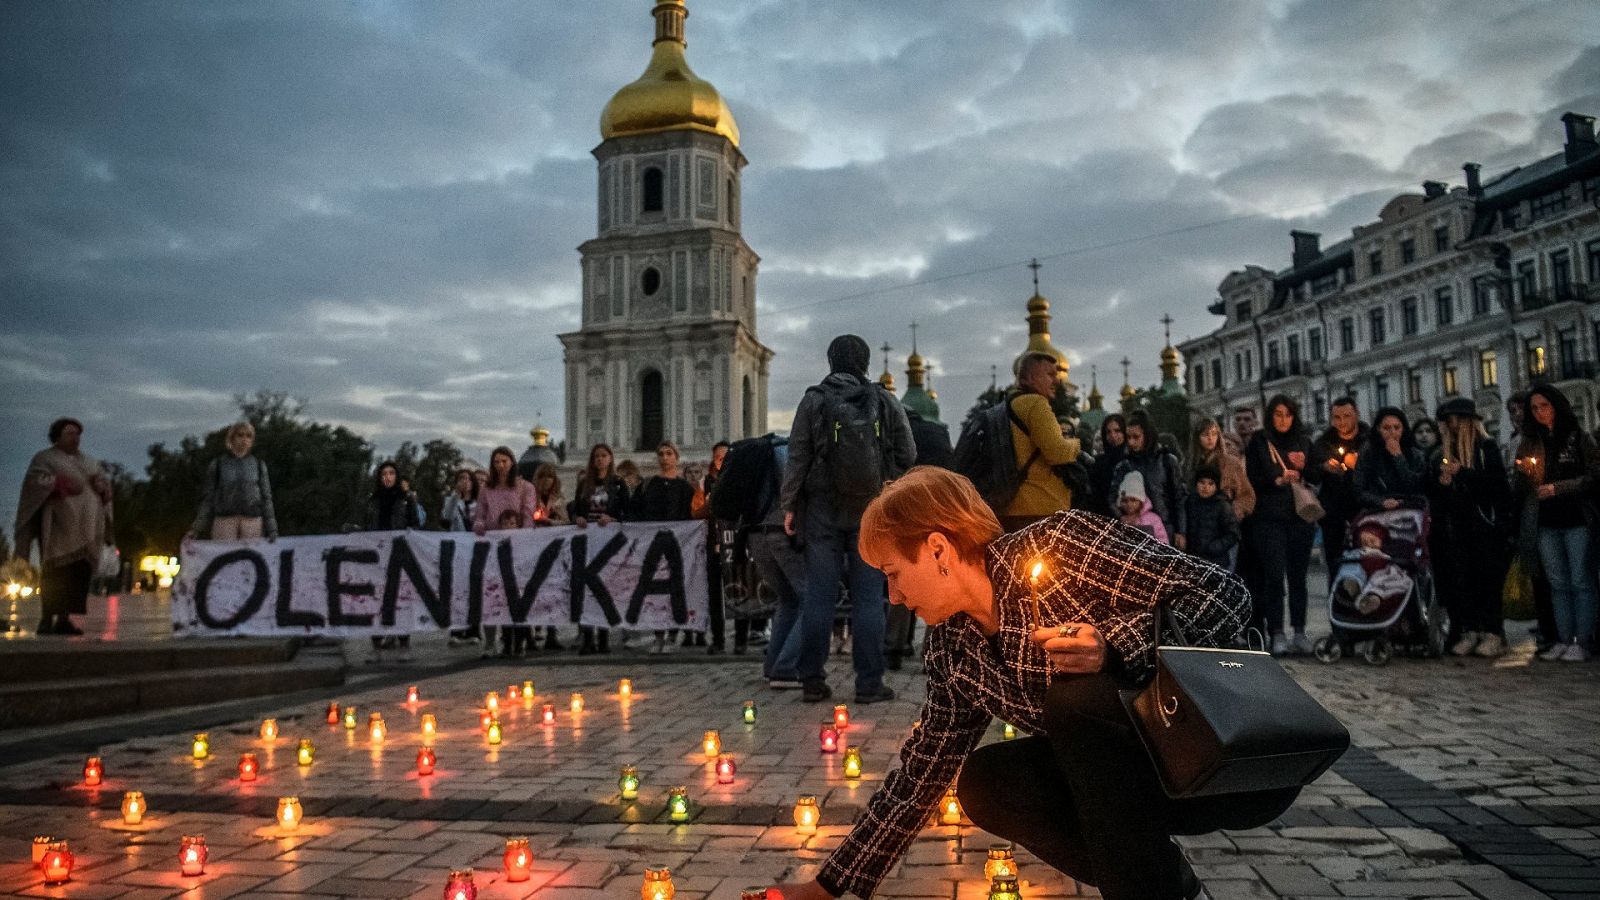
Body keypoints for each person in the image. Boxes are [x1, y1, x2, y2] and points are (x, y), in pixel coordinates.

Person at [767, 467, 1295, 900]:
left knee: (1076, 697)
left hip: (1222, 761)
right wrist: (829, 888)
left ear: (937, 549)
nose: (894, 597)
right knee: (983, 783)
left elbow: (1222, 593)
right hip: (1126, 796)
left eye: (892, 573)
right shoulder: (955, 651)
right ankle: (1168, 888)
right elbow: (918, 780)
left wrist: (1113, 645)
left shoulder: (1062, 548)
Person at [781, 334, 917, 704]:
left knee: (819, 598)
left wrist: (789, 505)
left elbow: (797, 456)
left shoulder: (813, 400)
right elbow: (908, 451)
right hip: (871, 510)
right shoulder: (884, 399)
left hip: (821, 509)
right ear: (866, 361)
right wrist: (887, 486)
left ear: (831, 361)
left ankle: (812, 680)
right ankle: (869, 684)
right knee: (870, 599)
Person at [1511, 385, 1599, 662]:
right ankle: (1563, 638)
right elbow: (1520, 483)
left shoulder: (1578, 438)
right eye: (1534, 408)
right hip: (1544, 521)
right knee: (1557, 583)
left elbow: (1593, 477)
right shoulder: (1530, 442)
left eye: (1544, 406)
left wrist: (1559, 488)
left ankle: (1582, 640)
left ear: (1557, 406)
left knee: (1580, 580)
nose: (1539, 413)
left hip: (1576, 519)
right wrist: (1525, 474)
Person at [13, 418, 113, 635]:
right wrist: (55, 484)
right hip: (58, 527)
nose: (75, 438)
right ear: (57, 435)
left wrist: (102, 487)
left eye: (77, 434)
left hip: (85, 529)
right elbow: (34, 482)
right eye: (69, 433)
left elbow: (104, 486)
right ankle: (47, 618)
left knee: (77, 575)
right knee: (55, 573)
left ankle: (65, 618)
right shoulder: (45, 458)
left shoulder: (89, 461)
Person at [1244, 394, 1315, 656]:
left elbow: (1316, 473)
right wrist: (1275, 480)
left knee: (1298, 577)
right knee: (1274, 576)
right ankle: (1277, 632)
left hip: (1299, 516)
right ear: (1270, 416)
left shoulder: (1303, 440)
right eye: (1277, 414)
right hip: (1269, 518)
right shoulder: (1260, 442)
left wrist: (1304, 469)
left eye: (1287, 414)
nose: (1283, 420)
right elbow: (1252, 477)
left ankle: (1299, 630)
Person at [1000, 352, 1082, 532]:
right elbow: (1057, 453)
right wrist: (1076, 445)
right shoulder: (1036, 404)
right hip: (1040, 509)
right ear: (1030, 377)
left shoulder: (1009, 404)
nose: (1057, 381)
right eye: (1050, 374)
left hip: (1011, 507)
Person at [473, 446, 539, 659]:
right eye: (496, 462)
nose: (500, 465)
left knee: (515, 594)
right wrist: (479, 524)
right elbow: (480, 513)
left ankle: (516, 641)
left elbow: (528, 515)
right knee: (492, 594)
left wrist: (524, 539)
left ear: (512, 462)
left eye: (504, 461)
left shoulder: (525, 487)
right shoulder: (486, 489)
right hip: (493, 546)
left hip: (516, 546)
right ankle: (491, 641)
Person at [633, 441, 698, 653]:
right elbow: (637, 512)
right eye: (660, 453)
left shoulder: (685, 488)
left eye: (669, 453)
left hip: (678, 545)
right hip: (653, 544)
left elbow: (691, 516)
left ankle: (672, 634)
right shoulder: (648, 485)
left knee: (676, 587)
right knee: (654, 590)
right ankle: (658, 635)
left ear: (676, 457)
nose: (664, 457)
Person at [571, 443, 627, 654]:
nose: (600, 460)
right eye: (596, 456)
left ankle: (603, 639)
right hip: (588, 541)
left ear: (611, 459)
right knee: (587, 590)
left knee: (604, 589)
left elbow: (626, 511)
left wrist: (612, 517)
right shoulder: (585, 484)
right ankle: (587, 638)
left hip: (608, 543)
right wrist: (578, 518)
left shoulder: (618, 484)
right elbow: (575, 508)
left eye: (604, 456)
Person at [365, 460, 420, 663]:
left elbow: (415, 523)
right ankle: (376, 645)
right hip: (377, 555)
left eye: (391, 473)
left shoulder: (406, 499)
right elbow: (367, 523)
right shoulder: (373, 500)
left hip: (399, 555)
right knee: (375, 600)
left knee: (401, 599)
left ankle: (404, 643)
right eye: (384, 474)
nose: (387, 477)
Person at [1309, 398, 1367, 584]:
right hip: (1334, 514)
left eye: (1347, 416)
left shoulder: (1369, 440)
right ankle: (1338, 603)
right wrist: (1324, 467)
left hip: (1364, 510)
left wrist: (1358, 465)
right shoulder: (1324, 443)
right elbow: (1311, 474)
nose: (1342, 422)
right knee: (1336, 563)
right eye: (1337, 417)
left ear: (1356, 415)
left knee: (1366, 559)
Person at [188, 421, 277, 542]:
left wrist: (272, 529)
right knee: (224, 558)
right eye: (240, 435)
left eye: (248, 436)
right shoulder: (218, 464)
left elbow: (266, 498)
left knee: (250, 559)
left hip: (252, 521)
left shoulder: (258, 465)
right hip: (225, 521)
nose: (244, 439)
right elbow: (208, 498)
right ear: (231, 438)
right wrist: (196, 528)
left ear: (252, 441)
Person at [1108, 410, 1184, 546]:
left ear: (1147, 436)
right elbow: (1113, 498)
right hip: (1135, 531)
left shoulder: (1167, 461)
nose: (1131, 442)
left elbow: (1179, 498)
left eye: (1136, 437)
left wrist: (1181, 531)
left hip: (1165, 530)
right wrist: (1122, 516)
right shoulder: (1124, 465)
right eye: (1128, 437)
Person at [1182, 418, 1254, 526]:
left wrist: (1232, 513)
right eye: (1205, 434)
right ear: (1198, 437)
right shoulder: (1188, 464)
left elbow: (1247, 495)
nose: (1210, 438)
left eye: (1214, 434)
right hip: (1197, 523)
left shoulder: (1231, 463)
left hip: (1223, 524)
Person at [1353, 407, 1427, 511]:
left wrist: (1398, 457)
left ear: (1403, 429)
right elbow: (1359, 490)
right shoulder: (1368, 454)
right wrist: (1381, 501)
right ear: (1379, 429)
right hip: (1378, 510)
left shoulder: (1416, 455)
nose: (1392, 432)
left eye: (1397, 428)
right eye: (1386, 428)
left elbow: (1416, 486)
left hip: (1409, 509)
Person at [441, 468, 481, 647]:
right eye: (461, 479)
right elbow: (446, 519)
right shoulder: (451, 501)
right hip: (457, 552)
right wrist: (455, 497)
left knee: (474, 590)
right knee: (457, 592)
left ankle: (473, 629)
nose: (465, 482)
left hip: (475, 550)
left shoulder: (479, 503)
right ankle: (456, 629)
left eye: (468, 479)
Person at [1183, 465, 1239, 570]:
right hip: (1194, 559)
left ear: (1216, 486)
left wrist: (1215, 547)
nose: (1206, 487)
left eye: (1210, 484)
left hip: (1217, 562)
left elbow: (1233, 534)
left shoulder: (1222, 505)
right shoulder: (1190, 503)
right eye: (1202, 482)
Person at [1085, 414, 1127, 518]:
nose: (1113, 436)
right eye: (1108, 432)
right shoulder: (1098, 464)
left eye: (1117, 431)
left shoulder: (1133, 461)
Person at [1116, 472, 1168, 543]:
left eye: (1133, 500)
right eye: (1125, 501)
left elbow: (1163, 540)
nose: (1129, 504)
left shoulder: (1153, 519)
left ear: (1141, 500)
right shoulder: (1120, 520)